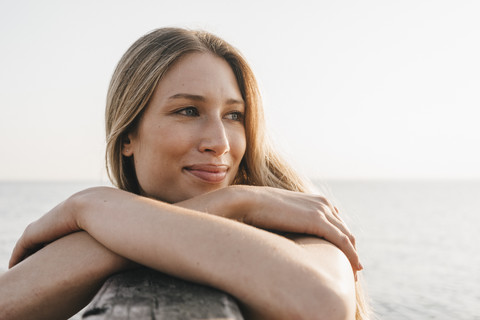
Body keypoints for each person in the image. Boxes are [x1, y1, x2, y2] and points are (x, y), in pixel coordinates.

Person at [0, 28, 370, 319]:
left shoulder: (300, 217)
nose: (220, 142)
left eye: (234, 115)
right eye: (189, 111)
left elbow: (318, 302)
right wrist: (227, 204)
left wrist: (91, 204)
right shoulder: (110, 230)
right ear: (128, 134)